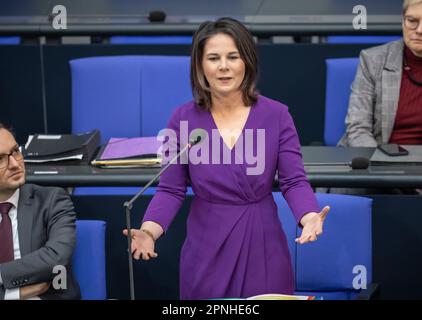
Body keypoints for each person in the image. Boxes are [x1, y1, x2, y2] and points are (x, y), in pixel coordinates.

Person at [123, 17, 330, 300]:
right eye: (213, 58)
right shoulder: (182, 119)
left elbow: (293, 180)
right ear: (199, 66)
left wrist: (308, 216)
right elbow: (171, 189)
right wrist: (149, 231)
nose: (223, 66)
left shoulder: (277, 115)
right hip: (206, 246)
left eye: (233, 56)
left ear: (247, 61)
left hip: (263, 242)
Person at [0, 123, 80, 300]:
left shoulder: (52, 200)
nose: (14, 164)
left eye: (15, 151)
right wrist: (15, 294)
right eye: (0, 159)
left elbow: (56, 258)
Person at [339, 0, 422, 147]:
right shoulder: (373, 60)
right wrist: (380, 161)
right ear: (403, 21)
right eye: (412, 21)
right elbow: (358, 129)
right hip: (381, 156)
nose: (419, 30)